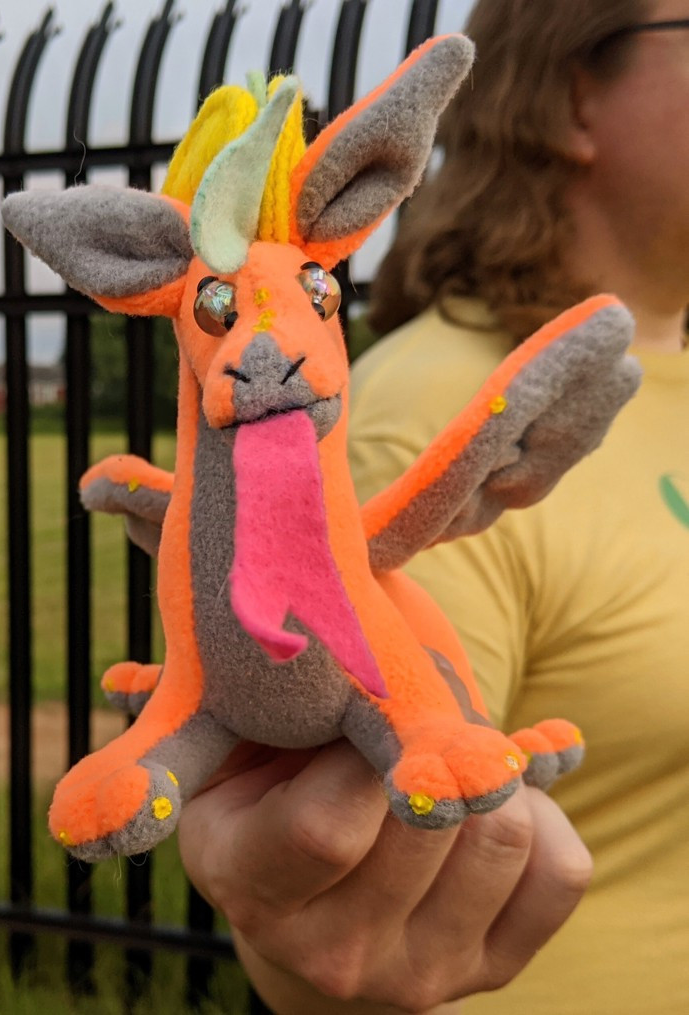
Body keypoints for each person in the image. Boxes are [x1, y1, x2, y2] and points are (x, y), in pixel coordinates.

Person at [178, 1, 689, 1011]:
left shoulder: (660, 370)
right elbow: (341, 881)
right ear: (574, 92)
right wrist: (305, 958)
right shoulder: (429, 423)